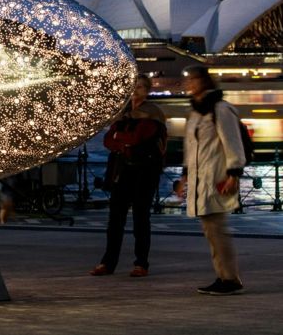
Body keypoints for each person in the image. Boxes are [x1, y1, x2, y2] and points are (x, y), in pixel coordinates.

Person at [176, 65, 244, 295]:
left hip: (216, 176)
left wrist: (234, 174)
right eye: (188, 80)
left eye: (194, 79)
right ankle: (224, 276)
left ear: (205, 81)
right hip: (199, 178)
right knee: (211, 229)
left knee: (217, 228)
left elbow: (232, 142)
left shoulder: (220, 109)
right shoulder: (196, 112)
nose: (190, 83)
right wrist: (185, 176)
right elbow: (190, 147)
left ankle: (230, 279)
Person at [90, 74, 166, 277]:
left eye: (140, 87)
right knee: (115, 218)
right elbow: (108, 140)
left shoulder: (152, 113)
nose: (136, 90)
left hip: (144, 171)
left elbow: (138, 137)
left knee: (141, 218)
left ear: (147, 90)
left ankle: (141, 263)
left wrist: (120, 140)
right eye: (134, 86)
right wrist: (123, 141)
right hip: (122, 171)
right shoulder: (124, 113)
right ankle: (108, 262)